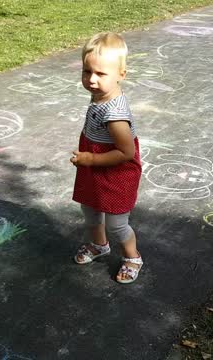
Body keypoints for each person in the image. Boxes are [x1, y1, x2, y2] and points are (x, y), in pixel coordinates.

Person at [70, 32, 143, 284]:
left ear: (121, 74)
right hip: (96, 162)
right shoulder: (102, 94)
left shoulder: (115, 114)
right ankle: (99, 245)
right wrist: (90, 158)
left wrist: (90, 158)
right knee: (89, 209)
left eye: (101, 74)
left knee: (117, 224)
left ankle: (132, 257)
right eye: (86, 71)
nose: (91, 80)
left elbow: (126, 153)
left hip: (117, 171)